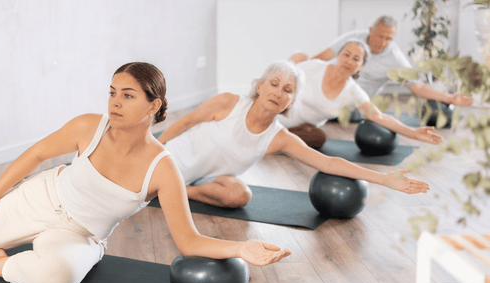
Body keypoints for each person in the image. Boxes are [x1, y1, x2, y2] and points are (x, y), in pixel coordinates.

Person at [0, 62, 291, 283]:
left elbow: (188, 241)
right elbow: (36, 154)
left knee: (57, 278)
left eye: (127, 95)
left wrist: (240, 249)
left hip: (80, 234)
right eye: (112, 93)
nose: (114, 103)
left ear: (153, 105)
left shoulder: (163, 168)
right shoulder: (89, 126)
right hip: (36, 201)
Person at [156, 60, 431, 209]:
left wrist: (384, 178)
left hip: (203, 179)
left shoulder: (279, 137)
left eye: (287, 90)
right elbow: (184, 122)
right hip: (168, 161)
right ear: (260, 86)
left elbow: (328, 163)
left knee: (239, 195)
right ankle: (167, 187)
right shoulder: (228, 103)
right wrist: (154, 150)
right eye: (274, 84)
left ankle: (183, 192)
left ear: (291, 102)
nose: (279, 91)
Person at [280, 39, 444, 149]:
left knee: (318, 138)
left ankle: (281, 140)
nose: (349, 61)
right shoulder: (314, 67)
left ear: (361, 66)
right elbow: (281, 79)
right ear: (338, 56)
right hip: (277, 114)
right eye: (346, 54)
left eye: (356, 59)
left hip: (301, 129)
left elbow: (378, 117)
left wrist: (413, 132)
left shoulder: (353, 92)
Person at [290, 15, 474, 107]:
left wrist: (450, 98)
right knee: (299, 56)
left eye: (388, 39)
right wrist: (299, 70)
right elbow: (320, 58)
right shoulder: (354, 38)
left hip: (352, 104)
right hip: (328, 86)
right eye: (379, 36)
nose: (382, 43)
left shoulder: (395, 58)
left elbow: (417, 88)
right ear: (371, 30)